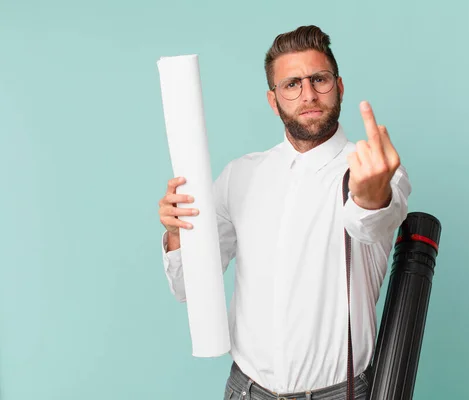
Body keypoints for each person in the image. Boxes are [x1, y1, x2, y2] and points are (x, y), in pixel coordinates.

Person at [157, 25, 412, 400]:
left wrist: (370, 197)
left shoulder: (373, 168)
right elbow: (190, 288)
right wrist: (178, 234)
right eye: (291, 84)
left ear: (339, 87)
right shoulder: (240, 175)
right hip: (244, 390)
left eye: (319, 79)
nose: (308, 94)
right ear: (273, 101)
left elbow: (371, 223)